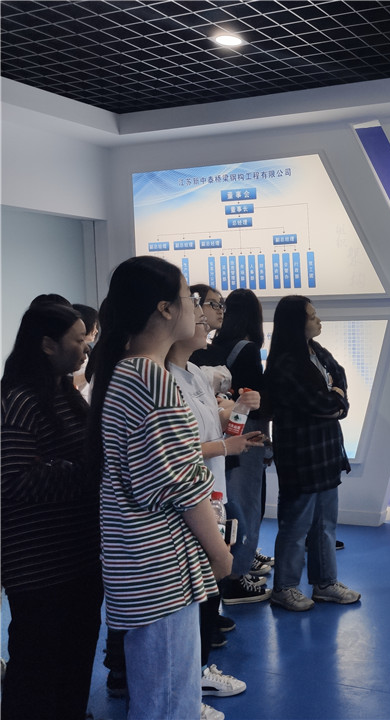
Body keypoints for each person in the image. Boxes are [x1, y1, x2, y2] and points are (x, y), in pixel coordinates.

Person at [88, 255, 233, 719]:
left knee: (158, 697)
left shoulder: (126, 371)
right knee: (169, 703)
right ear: (164, 308)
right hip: (162, 566)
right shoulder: (150, 377)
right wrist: (218, 551)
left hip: (140, 562)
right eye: (190, 297)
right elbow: (181, 482)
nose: (198, 309)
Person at [1, 303, 101, 720]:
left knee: (74, 665)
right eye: (78, 340)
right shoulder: (20, 401)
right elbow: (15, 478)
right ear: (47, 345)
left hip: (78, 559)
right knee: (36, 672)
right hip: (38, 568)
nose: (85, 348)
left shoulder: (65, 394)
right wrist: (85, 472)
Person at [167, 300, 263, 701]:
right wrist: (225, 445)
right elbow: (176, 453)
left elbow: (215, 428)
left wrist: (237, 412)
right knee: (194, 596)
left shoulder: (193, 374)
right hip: (189, 501)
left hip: (211, 492)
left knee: (206, 594)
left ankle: (197, 673)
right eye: (198, 312)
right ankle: (187, 684)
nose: (205, 320)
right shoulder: (162, 381)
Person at [265, 295, 360, 611]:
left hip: (326, 453)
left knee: (325, 524)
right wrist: (336, 399)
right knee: (295, 526)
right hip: (301, 457)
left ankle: (325, 583)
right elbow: (318, 402)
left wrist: (336, 399)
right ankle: (285, 588)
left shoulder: (317, 351)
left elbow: (339, 379)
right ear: (296, 322)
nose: (319, 320)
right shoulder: (286, 364)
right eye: (312, 316)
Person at [210, 288, 274, 604]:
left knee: (225, 504)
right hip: (246, 433)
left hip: (218, 434)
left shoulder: (211, 348)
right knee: (247, 504)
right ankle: (237, 575)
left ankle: (227, 570)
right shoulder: (247, 350)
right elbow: (257, 402)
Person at [72, 302, 99, 400]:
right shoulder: (72, 352)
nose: (96, 330)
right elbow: (72, 380)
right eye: (94, 325)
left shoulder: (89, 350)